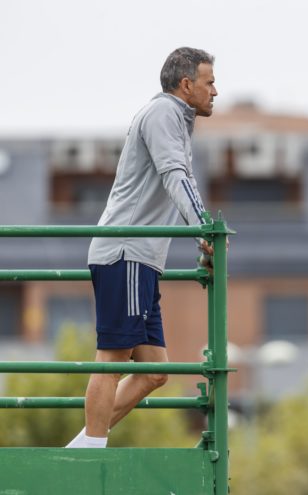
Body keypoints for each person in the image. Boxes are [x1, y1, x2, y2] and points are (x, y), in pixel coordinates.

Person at [66, 47, 218, 448]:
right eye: (210, 82)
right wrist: (204, 228)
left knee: (155, 372)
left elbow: (182, 180)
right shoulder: (164, 114)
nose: (216, 91)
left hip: (142, 260)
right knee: (112, 359)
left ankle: (84, 444)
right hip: (127, 253)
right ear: (186, 84)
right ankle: (90, 457)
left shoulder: (176, 120)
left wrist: (200, 233)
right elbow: (175, 176)